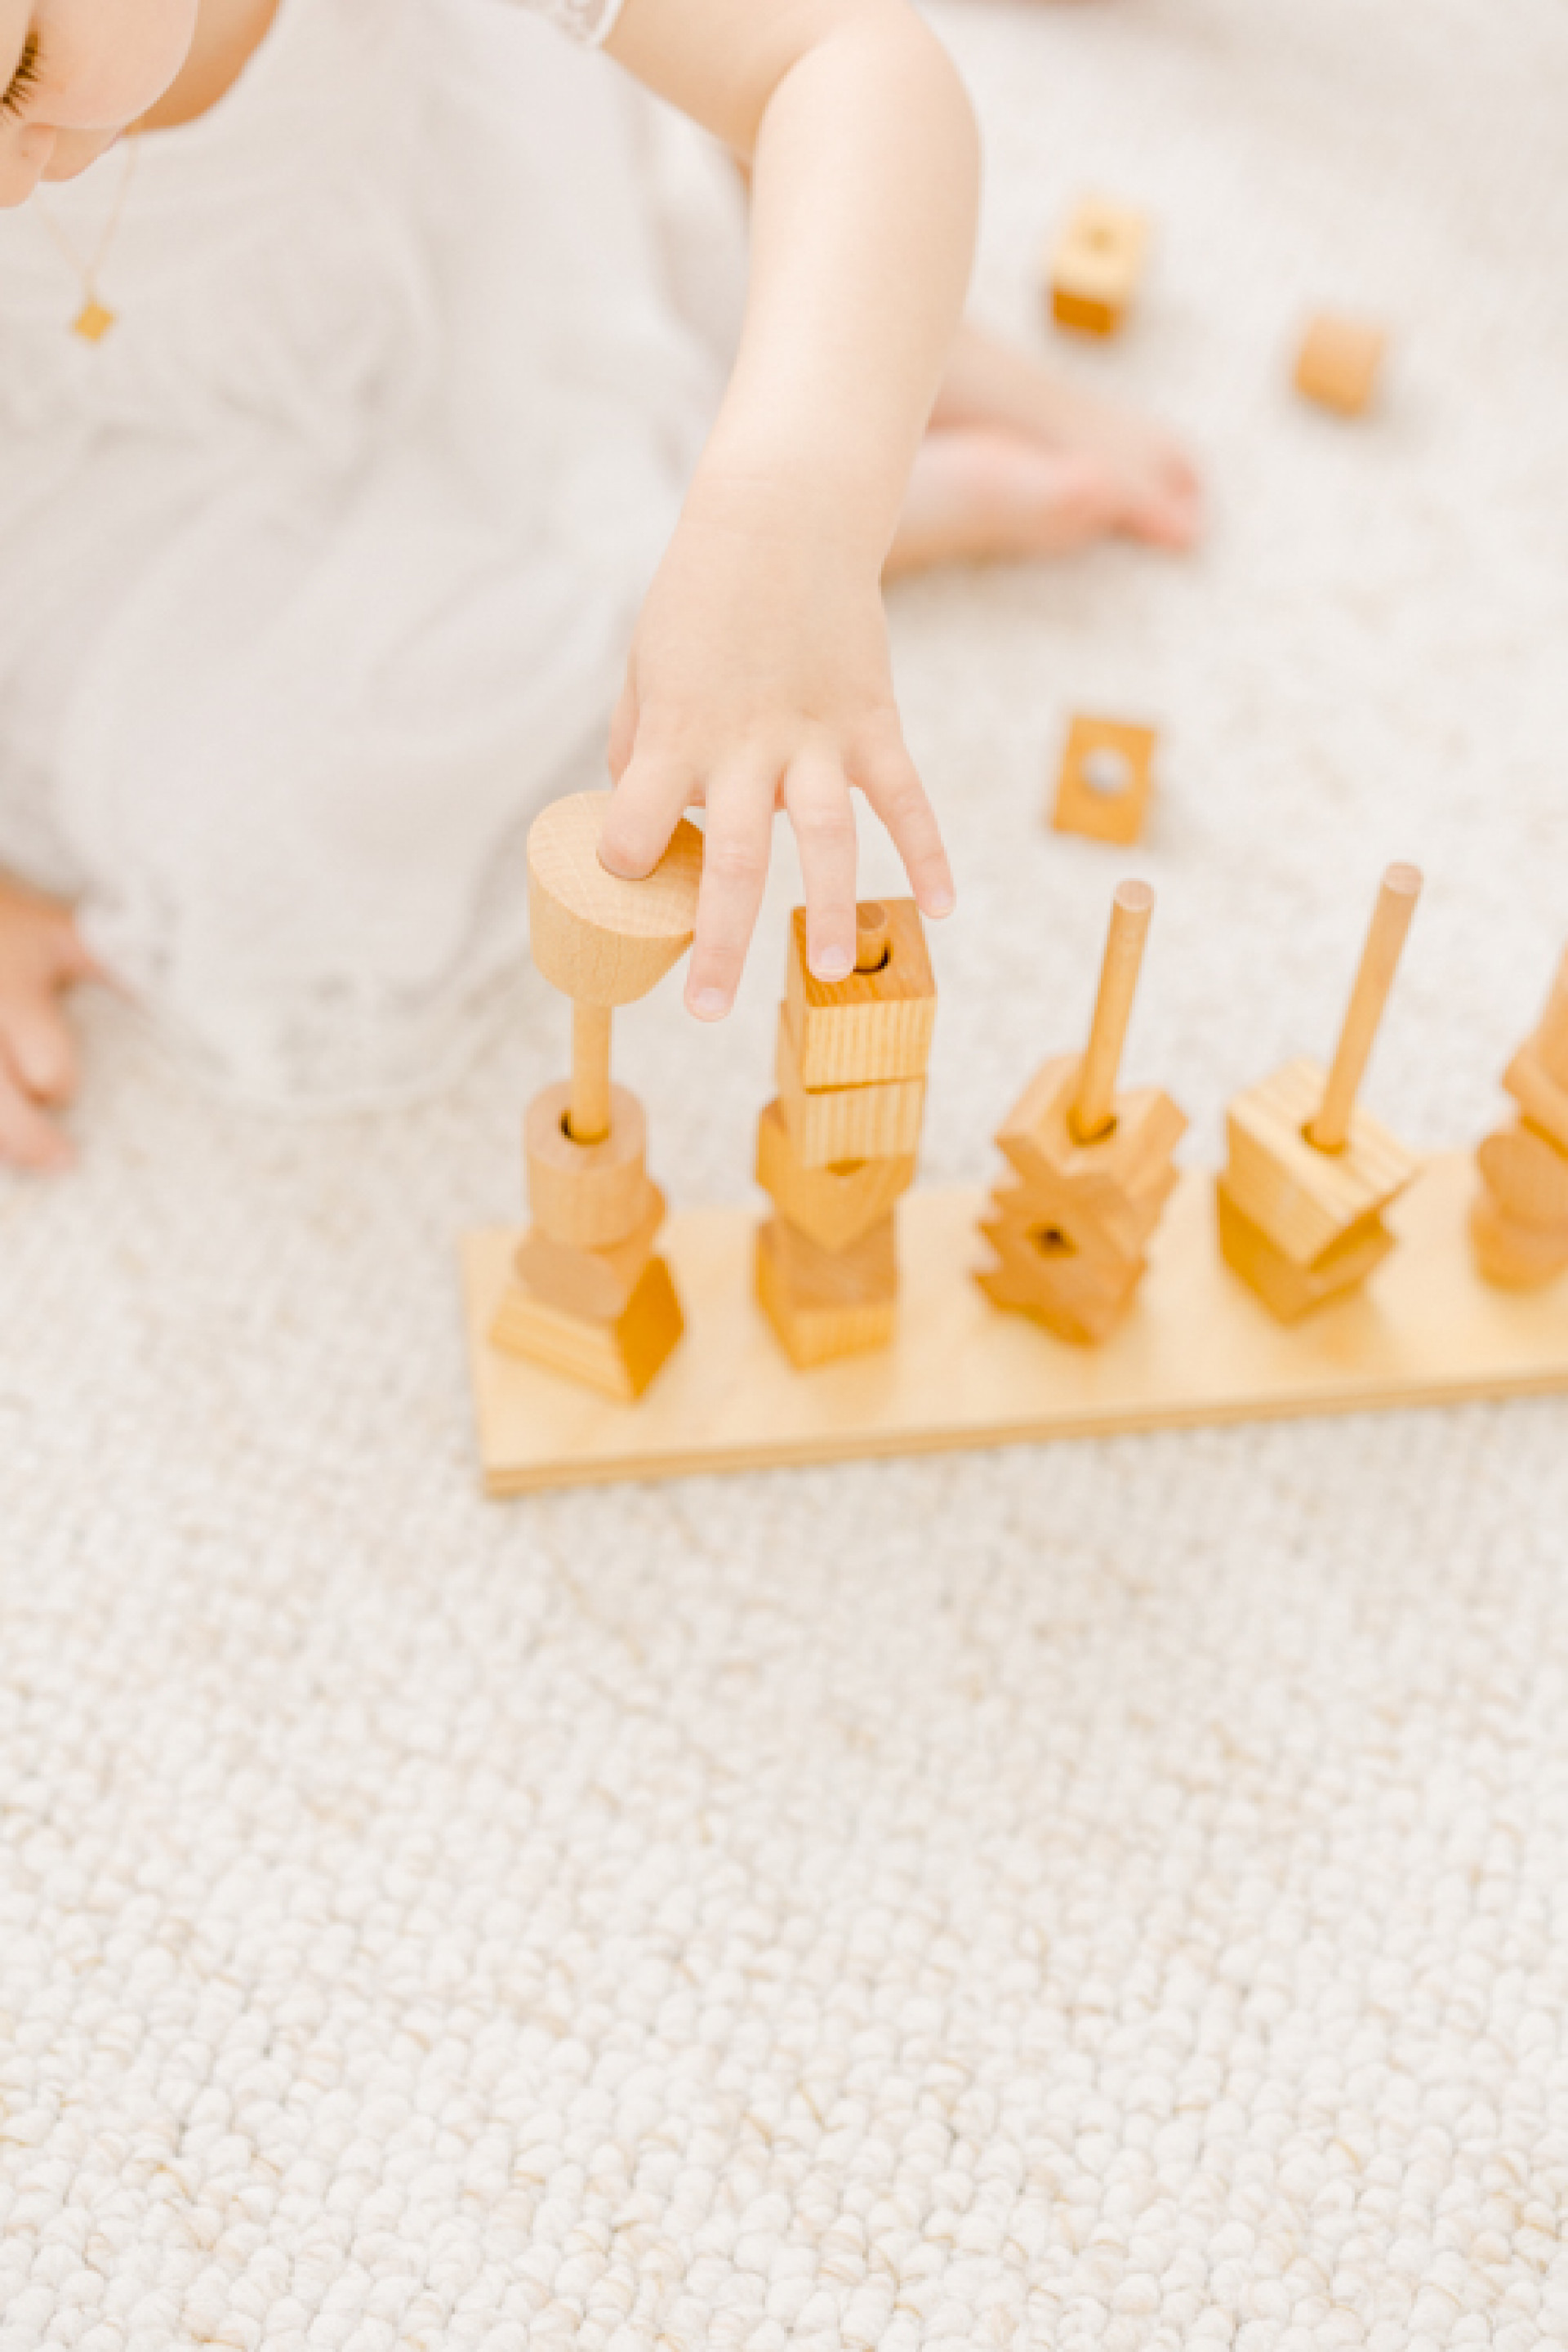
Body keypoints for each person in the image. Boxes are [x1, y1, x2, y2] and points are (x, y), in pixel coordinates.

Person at [0, 0, 1198, 1167]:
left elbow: (845, 58)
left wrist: (797, 512)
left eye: (22, 68)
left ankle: (855, 422)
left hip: (463, 243)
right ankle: (713, 536)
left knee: (826, 262)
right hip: (101, 457)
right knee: (267, 831)